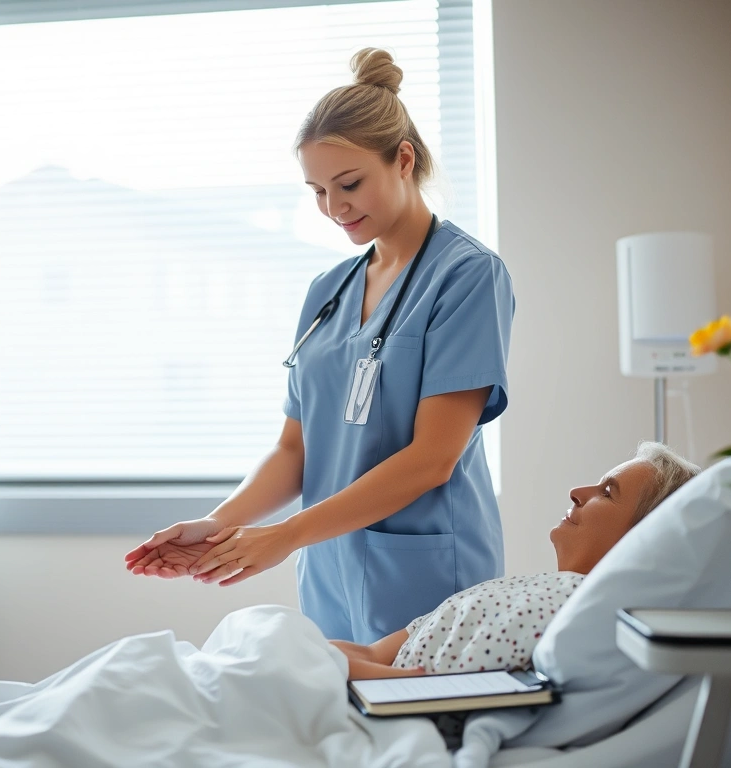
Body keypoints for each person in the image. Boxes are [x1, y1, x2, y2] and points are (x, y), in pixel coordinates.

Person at [124, 47, 517, 644]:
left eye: (349, 184)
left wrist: (285, 535)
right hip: (329, 570)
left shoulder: (466, 276)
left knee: (422, 728)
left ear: (403, 159)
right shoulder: (327, 291)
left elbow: (434, 457)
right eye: (316, 191)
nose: (335, 209)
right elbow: (294, 450)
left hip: (428, 571)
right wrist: (218, 524)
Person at [331, 442, 701, 680]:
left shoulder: (584, 612)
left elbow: (429, 686)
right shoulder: (528, 592)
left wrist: (321, 667)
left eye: (607, 492)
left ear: (645, 537)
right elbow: (371, 654)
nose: (576, 493)